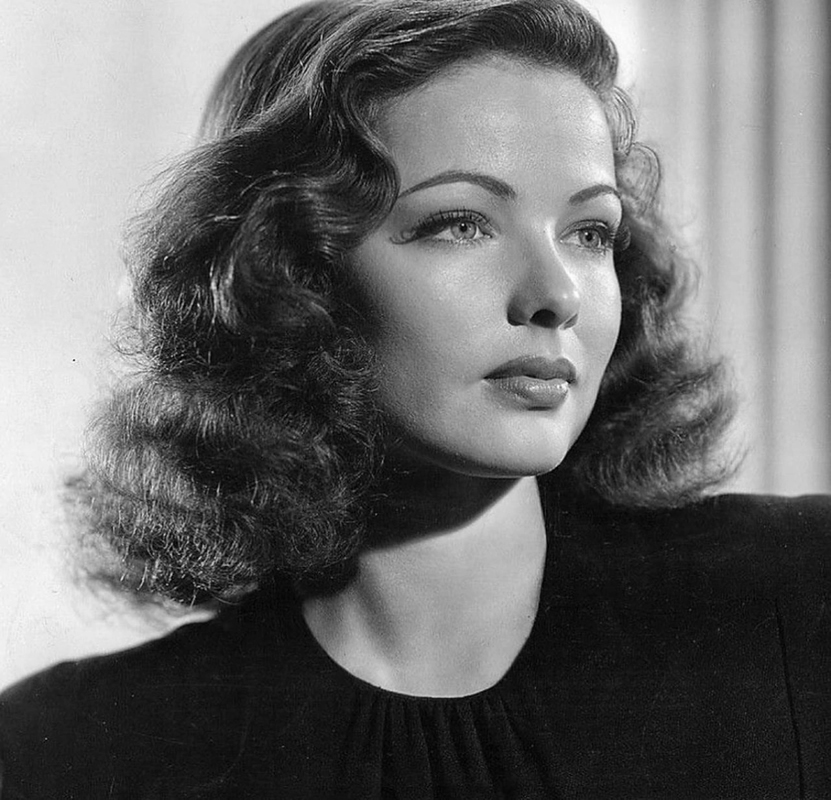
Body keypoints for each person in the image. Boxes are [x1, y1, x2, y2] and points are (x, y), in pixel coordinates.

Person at [1, 0, 829, 797]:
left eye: (590, 232)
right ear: (285, 273)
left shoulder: (796, 596)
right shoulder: (76, 749)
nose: (556, 295)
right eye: (460, 224)